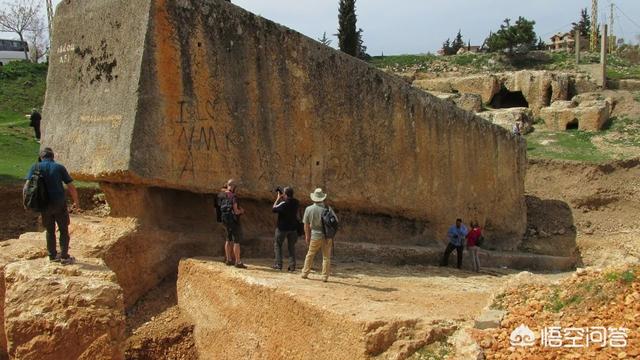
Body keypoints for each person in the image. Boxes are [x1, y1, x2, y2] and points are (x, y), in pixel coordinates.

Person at [24, 147, 80, 264]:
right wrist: (76, 202)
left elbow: (26, 186)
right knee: (64, 229)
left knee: (50, 230)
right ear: (52, 157)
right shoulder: (59, 167)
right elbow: (70, 186)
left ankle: (52, 255)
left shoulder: (35, 167)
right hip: (59, 202)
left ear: (41, 157)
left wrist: (26, 202)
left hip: (44, 203)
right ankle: (64, 256)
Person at [301, 188, 336, 282]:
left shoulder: (308, 209)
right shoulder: (328, 209)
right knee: (326, 257)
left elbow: (306, 225)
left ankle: (305, 273)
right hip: (326, 236)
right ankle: (325, 276)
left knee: (310, 254)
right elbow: (335, 222)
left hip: (315, 235)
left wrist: (307, 236)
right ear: (322, 198)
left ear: (314, 198)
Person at [219, 179, 246, 269]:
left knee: (228, 239)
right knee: (236, 241)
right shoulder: (233, 196)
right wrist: (241, 211)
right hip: (233, 220)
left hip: (224, 219)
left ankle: (228, 259)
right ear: (233, 187)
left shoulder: (221, 195)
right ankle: (238, 262)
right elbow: (236, 211)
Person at [272, 187, 300, 271]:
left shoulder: (284, 203)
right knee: (291, 247)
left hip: (282, 228)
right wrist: (284, 197)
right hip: (293, 228)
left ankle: (278, 264)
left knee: (278, 245)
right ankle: (292, 266)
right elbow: (290, 202)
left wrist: (278, 198)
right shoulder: (296, 202)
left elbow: (274, 209)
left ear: (286, 194)